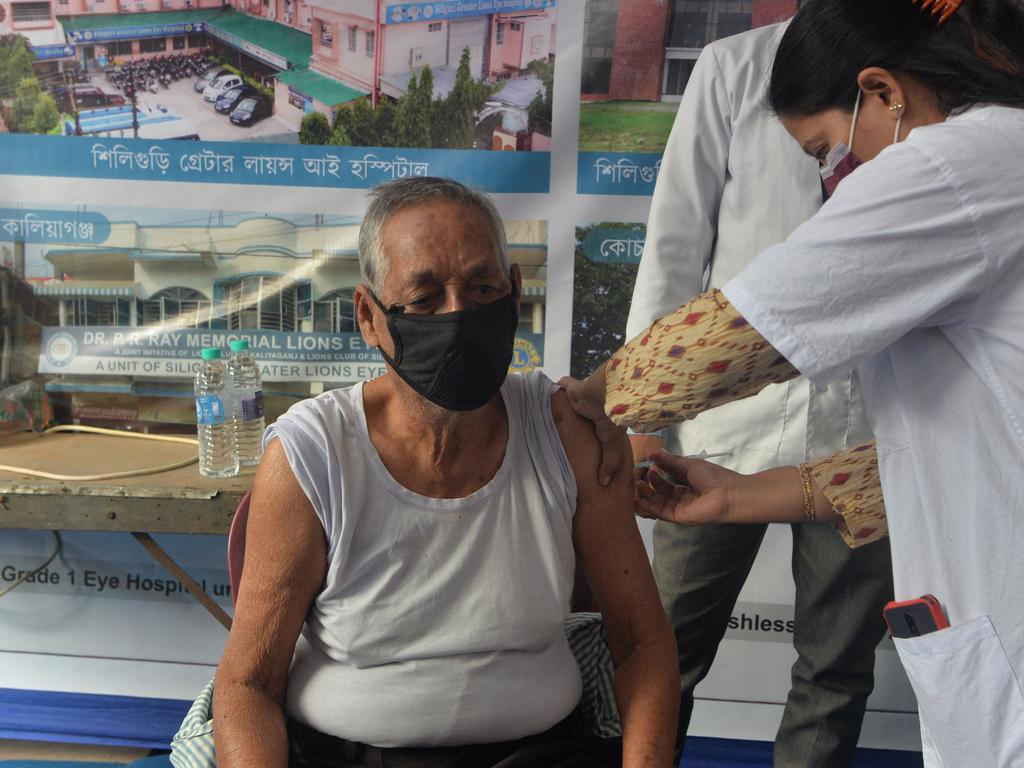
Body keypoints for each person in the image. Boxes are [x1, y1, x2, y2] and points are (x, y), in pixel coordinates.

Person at [562, 0, 1024, 765]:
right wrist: (740, 494)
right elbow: (952, 451)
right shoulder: (997, 152)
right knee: (664, 654)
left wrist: (576, 405)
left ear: (883, 92)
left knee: (832, 673)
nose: (837, 175)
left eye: (827, 150)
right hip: (748, 445)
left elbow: (726, 342)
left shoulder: (950, 166)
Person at [213, 177, 678, 768]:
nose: (460, 315)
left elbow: (642, 643)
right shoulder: (315, 453)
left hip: (541, 754)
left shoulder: (565, 433)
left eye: (483, 288)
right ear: (369, 316)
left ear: (513, 295)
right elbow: (248, 685)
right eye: (425, 298)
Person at [626, 20, 893, 766]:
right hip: (720, 435)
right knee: (662, 656)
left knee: (835, 672)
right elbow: (676, 239)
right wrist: (642, 411)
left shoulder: (915, 83)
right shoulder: (732, 67)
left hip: (865, 442)